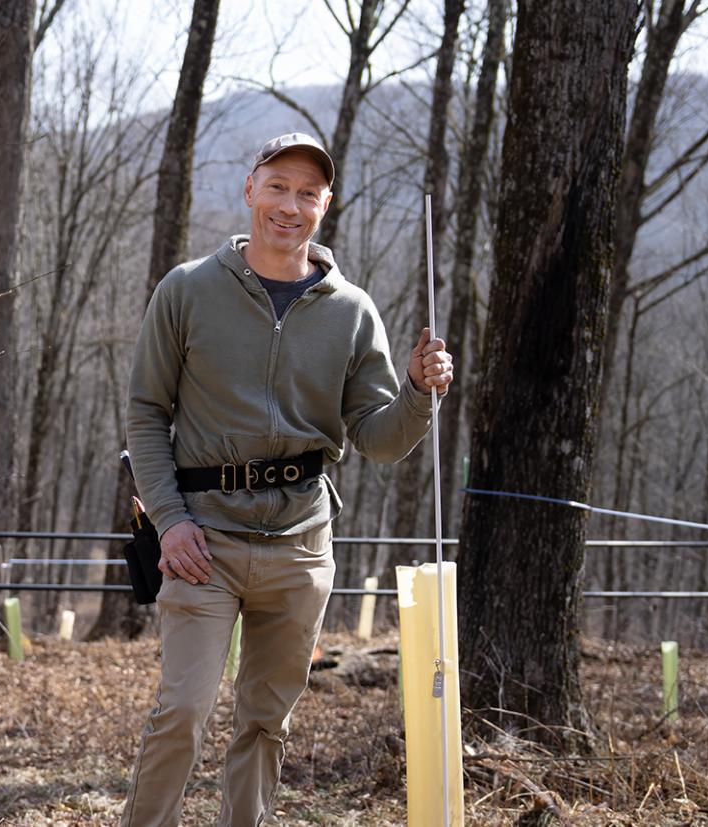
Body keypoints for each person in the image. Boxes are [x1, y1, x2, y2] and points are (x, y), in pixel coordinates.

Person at [120, 132, 453, 826]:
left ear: (325, 205)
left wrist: (419, 394)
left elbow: (379, 438)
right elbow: (147, 412)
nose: (289, 205)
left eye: (307, 193)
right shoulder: (187, 290)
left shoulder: (351, 311)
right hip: (202, 540)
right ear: (250, 189)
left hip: (301, 546)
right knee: (182, 709)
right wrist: (170, 520)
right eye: (277, 186)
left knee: (267, 720)